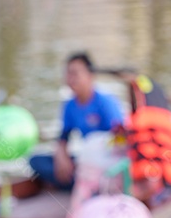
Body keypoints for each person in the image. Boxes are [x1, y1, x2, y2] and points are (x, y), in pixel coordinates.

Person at [28, 53, 125, 189]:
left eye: (75, 74)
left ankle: (84, 183)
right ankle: (80, 183)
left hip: (106, 161)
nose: (70, 79)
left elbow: (122, 138)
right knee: (36, 161)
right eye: (68, 74)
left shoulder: (105, 102)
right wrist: (61, 157)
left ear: (90, 76)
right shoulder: (70, 105)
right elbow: (63, 138)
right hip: (86, 160)